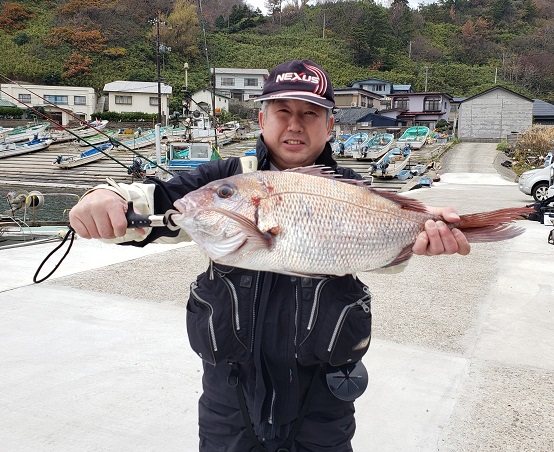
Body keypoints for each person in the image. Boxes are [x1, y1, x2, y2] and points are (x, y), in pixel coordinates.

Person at [69, 59, 470, 452]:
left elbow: (380, 252)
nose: (295, 125)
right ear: (262, 120)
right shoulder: (225, 180)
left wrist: (423, 231)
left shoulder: (349, 188)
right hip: (229, 399)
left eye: (310, 114)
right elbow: (157, 203)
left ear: (330, 125)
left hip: (323, 399)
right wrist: (105, 196)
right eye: (282, 112)